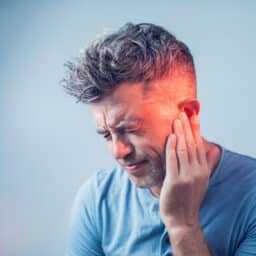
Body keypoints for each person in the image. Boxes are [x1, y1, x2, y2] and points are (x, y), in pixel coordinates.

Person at [62, 23, 256, 255]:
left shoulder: (251, 197)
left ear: (187, 114)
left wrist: (183, 226)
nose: (118, 151)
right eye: (106, 134)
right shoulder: (97, 201)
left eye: (131, 129)